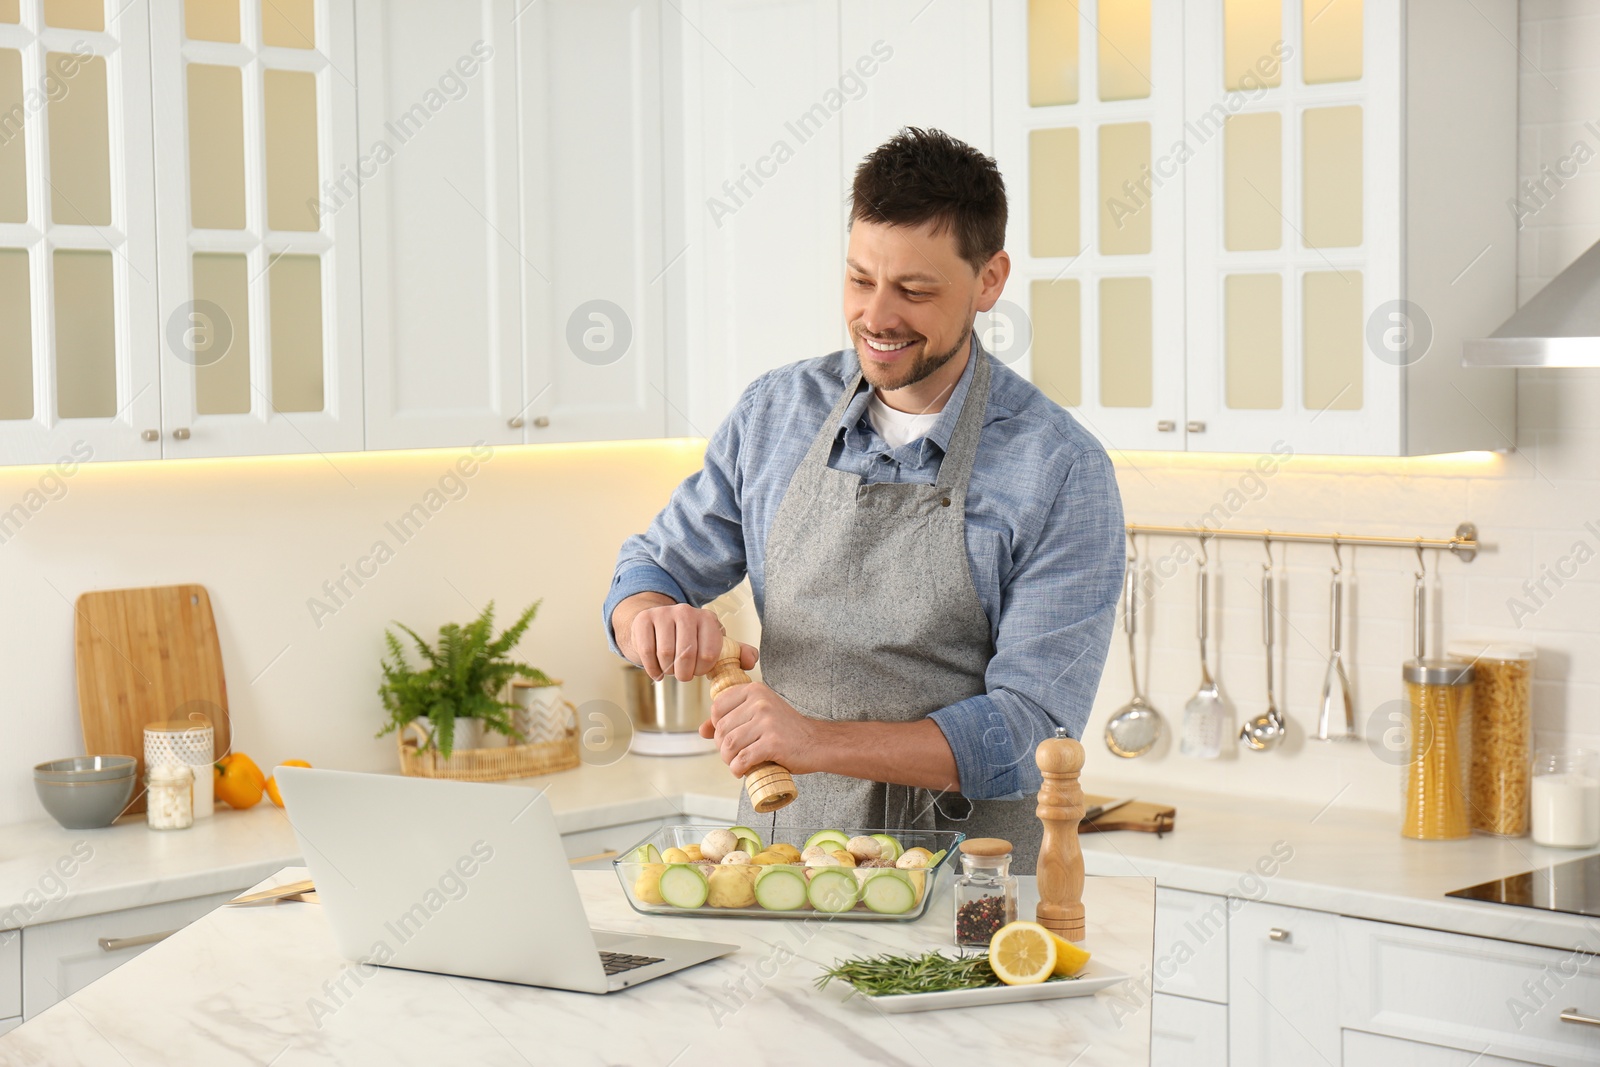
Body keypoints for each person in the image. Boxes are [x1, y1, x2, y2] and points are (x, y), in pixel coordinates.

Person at [602, 127, 1124, 872]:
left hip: (963, 889)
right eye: (859, 280)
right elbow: (648, 567)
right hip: (780, 869)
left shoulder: (1061, 471)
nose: (877, 317)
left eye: (915, 290)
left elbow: (1030, 733)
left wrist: (815, 741)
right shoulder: (775, 414)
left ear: (989, 280)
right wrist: (650, 618)